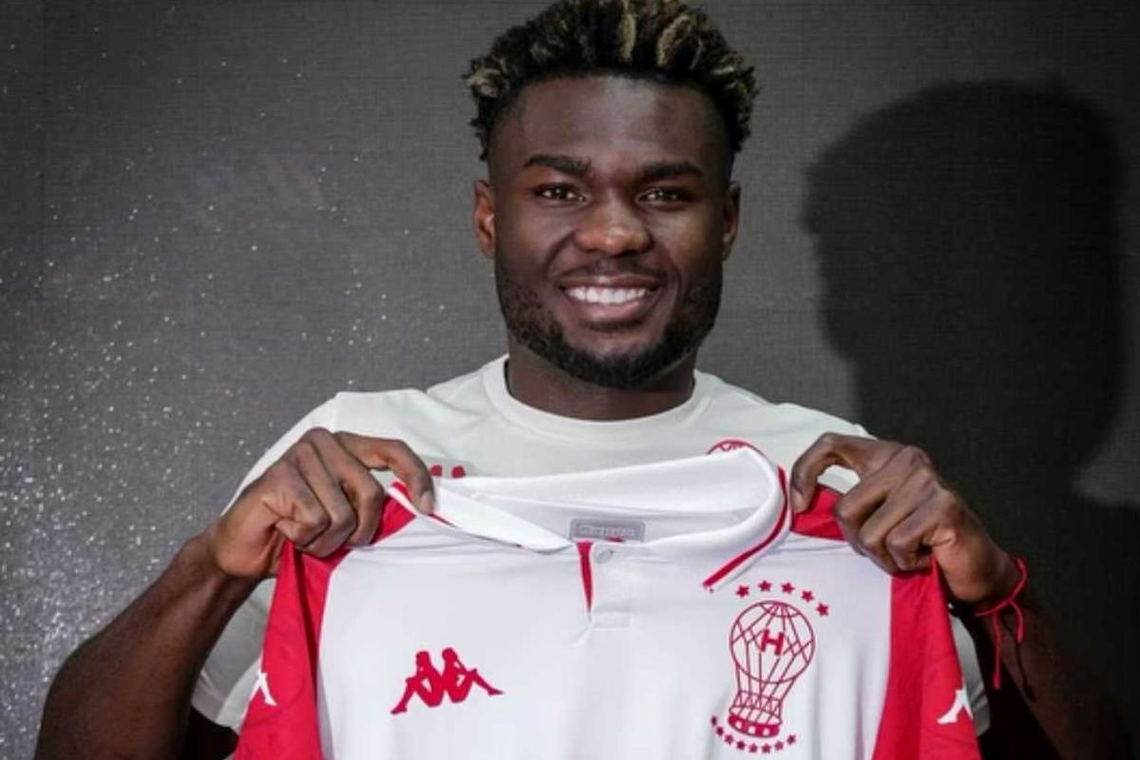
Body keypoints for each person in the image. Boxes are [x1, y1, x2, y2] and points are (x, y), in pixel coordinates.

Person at [34, 1, 1127, 758]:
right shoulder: (348, 468)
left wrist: (998, 594)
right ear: (488, 217)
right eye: (559, 191)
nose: (612, 233)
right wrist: (216, 566)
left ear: (726, 221)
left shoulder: (842, 489)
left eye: (666, 194)